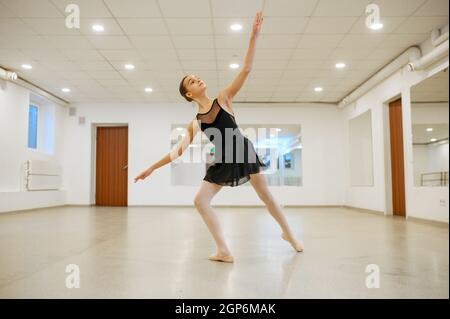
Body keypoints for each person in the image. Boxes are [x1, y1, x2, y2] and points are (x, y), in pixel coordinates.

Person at [134, 11, 303, 263]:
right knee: (200, 201)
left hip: (243, 151)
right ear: (189, 94)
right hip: (223, 160)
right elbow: (177, 152)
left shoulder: (223, 98)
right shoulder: (195, 123)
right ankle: (223, 250)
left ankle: (289, 234)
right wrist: (151, 168)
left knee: (266, 196)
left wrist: (253, 36)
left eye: (196, 76)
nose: (197, 79)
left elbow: (246, 69)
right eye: (192, 81)